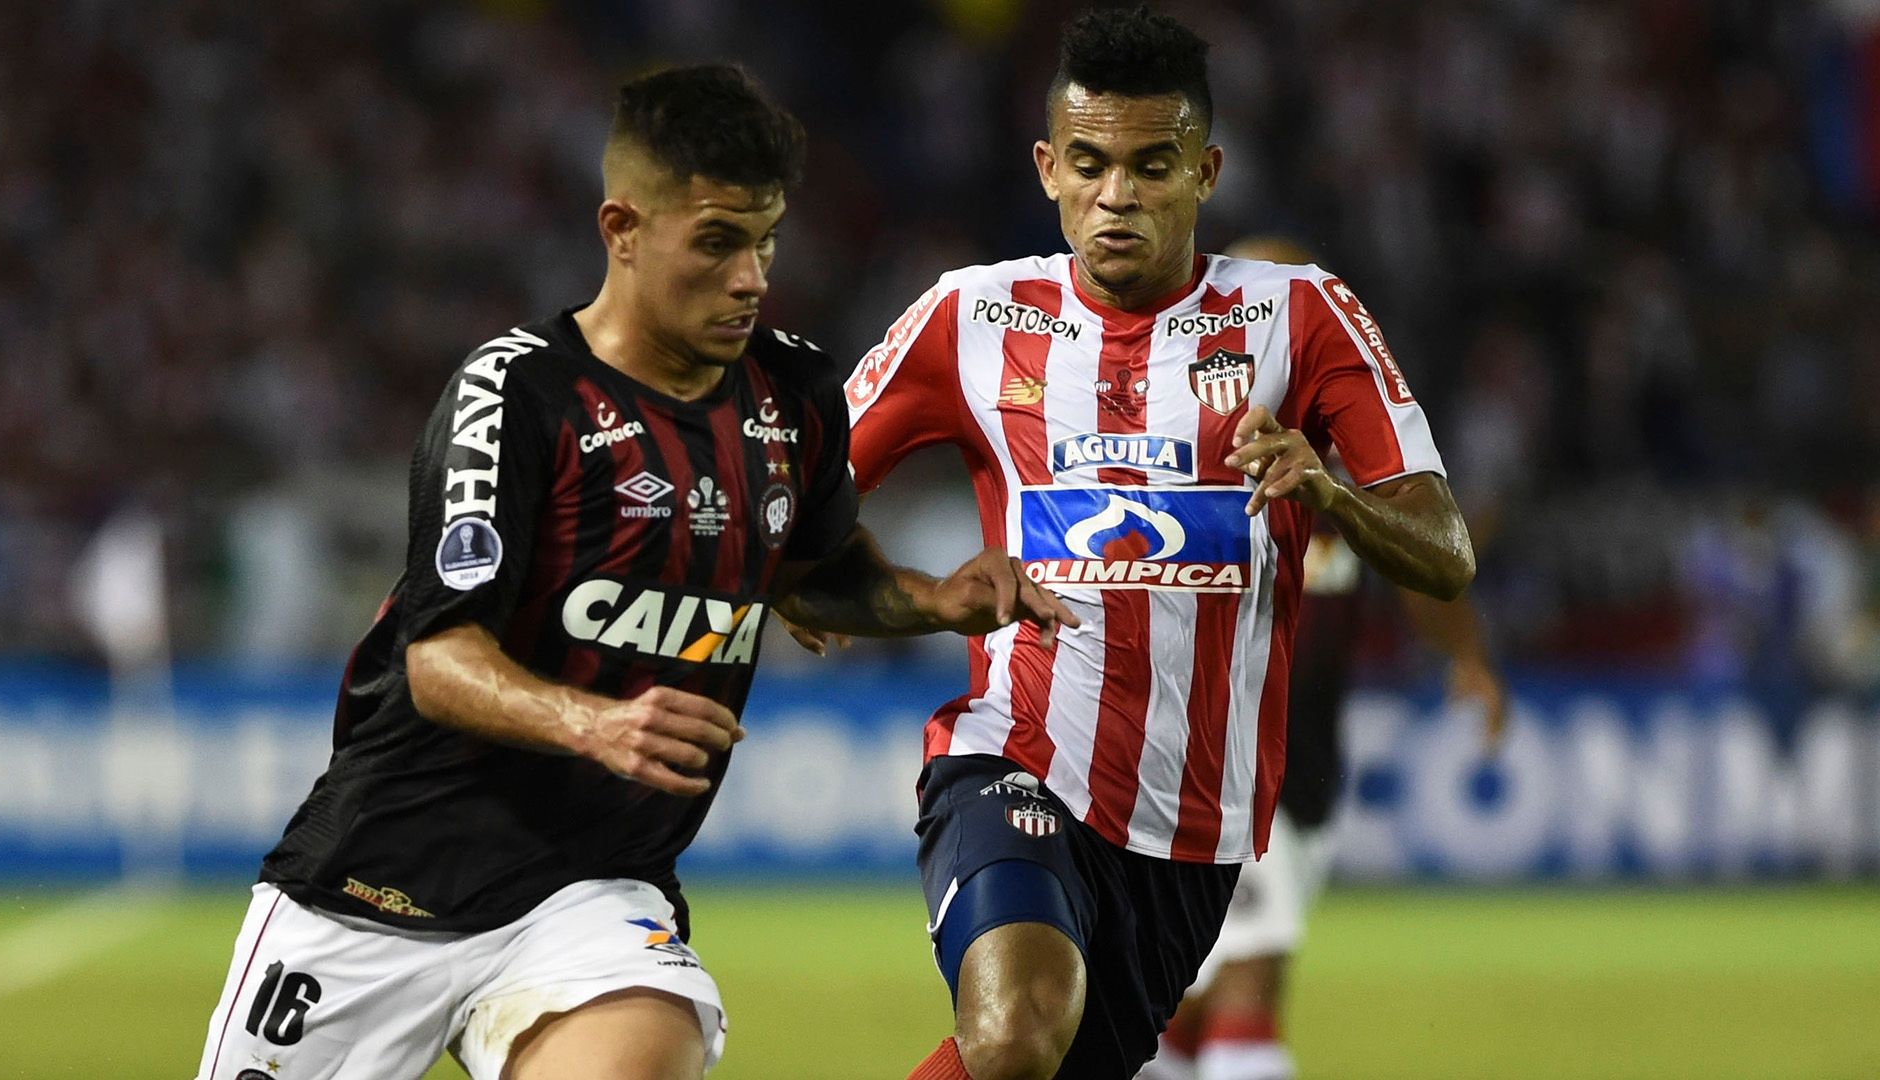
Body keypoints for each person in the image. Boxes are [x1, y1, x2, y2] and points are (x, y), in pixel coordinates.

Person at [192, 64, 1072, 1080]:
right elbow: (436, 659)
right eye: (717, 241)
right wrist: (593, 723)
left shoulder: (793, 392)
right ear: (622, 229)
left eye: (766, 238)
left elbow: (811, 572)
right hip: (379, 884)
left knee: (642, 1054)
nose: (752, 275)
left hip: (593, 892)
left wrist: (934, 598)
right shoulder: (516, 394)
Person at [803, 8, 1475, 1079]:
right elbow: (794, 506)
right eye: (1090, 165)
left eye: (1151, 167)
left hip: (1194, 830)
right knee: (1015, 1033)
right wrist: (913, 597)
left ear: (1205, 170)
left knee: (1040, 1065)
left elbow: (1445, 547)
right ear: (1046, 169)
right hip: (1009, 757)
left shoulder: (1299, 318)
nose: (1117, 195)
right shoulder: (970, 318)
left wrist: (1333, 496)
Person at [1131, 239, 1512, 1080]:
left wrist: (1469, 658)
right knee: (1246, 990)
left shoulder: (1342, 462)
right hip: (1203, 767)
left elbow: (1424, 572)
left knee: (1174, 1013)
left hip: (1294, 764)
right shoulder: (1170, 446)